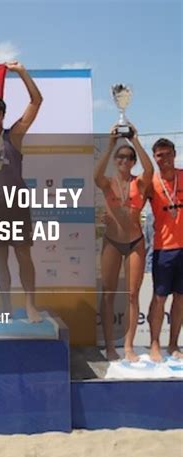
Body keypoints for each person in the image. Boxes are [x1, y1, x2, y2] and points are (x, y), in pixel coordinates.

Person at [0, 61, 43, 322]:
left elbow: (37, 101)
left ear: (3, 115)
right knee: (0, 258)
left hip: (16, 204)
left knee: (23, 254)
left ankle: (30, 305)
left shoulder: (13, 135)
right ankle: (5, 305)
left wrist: (22, 72)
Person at [94, 125, 153, 361]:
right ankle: (109, 345)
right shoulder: (107, 183)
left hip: (135, 242)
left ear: (133, 161)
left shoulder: (139, 183)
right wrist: (110, 145)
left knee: (132, 295)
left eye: (129, 158)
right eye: (121, 157)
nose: (124, 161)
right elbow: (95, 176)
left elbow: (149, 169)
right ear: (115, 160)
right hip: (112, 242)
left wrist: (136, 140)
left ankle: (128, 346)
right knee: (108, 294)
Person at [147, 138, 183, 362]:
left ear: (175, 154)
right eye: (159, 155)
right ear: (154, 158)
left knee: (180, 298)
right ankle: (154, 343)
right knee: (159, 299)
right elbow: (132, 207)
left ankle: (173, 344)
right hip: (163, 248)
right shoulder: (151, 182)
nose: (164, 159)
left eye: (167, 154)